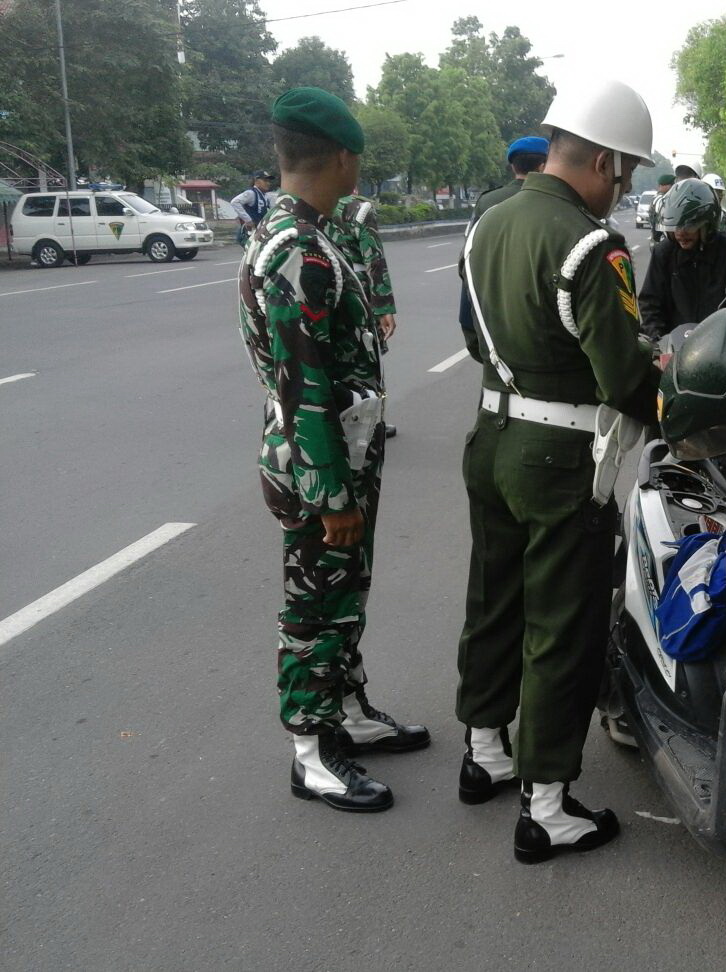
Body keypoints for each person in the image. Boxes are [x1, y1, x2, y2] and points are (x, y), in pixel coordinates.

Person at [456, 79, 659, 863]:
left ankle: (484, 751)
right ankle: (546, 806)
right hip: (562, 459)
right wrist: (670, 396)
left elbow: (476, 339)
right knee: (560, 626)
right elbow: (624, 379)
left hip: (492, 435)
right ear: (602, 160)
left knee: (492, 598)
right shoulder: (589, 245)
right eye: (627, 172)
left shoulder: (487, 223)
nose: (627, 188)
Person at [237, 87, 428, 814]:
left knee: (342, 599)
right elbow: (302, 385)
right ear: (341, 158)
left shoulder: (309, 234)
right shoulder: (298, 250)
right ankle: (312, 751)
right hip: (322, 468)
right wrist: (330, 495)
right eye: (359, 159)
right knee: (314, 608)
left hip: (340, 457)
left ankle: (346, 712)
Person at [458, 136, 549, 356]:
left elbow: (468, 262)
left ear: (512, 166)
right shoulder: (550, 199)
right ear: (544, 166)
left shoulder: (488, 201)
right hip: (540, 317)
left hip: (493, 312)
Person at [637, 177, 726, 341]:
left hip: (725, 345)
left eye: (688, 226)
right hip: (676, 347)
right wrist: (659, 340)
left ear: (707, 225)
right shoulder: (663, 254)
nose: (680, 233)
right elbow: (650, 303)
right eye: (675, 227)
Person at [326, 191, 400, 438]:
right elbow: (374, 259)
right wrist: (384, 306)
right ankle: (372, 421)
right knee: (366, 357)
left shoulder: (314, 204)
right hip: (356, 290)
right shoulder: (360, 209)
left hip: (323, 289)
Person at [231, 170, 273, 246]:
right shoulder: (251, 193)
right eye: (265, 180)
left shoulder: (265, 196)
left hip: (261, 232)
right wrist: (248, 220)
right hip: (251, 233)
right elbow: (235, 202)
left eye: (269, 181)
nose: (268, 183)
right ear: (256, 181)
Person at [649, 172, 674, 243]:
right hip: (662, 237)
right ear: (662, 186)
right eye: (671, 185)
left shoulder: (661, 197)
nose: (673, 186)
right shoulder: (660, 199)